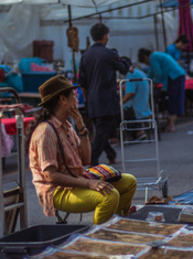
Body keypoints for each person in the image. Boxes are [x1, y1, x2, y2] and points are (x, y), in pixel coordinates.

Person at [28, 75, 137, 225]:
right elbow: (50, 176)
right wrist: (89, 184)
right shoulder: (45, 132)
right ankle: (96, 237)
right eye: (74, 95)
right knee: (109, 196)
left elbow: (86, 160)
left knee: (129, 181)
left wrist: (81, 127)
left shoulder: (67, 125)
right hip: (58, 192)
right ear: (63, 99)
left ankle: (116, 225)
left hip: (77, 181)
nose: (77, 98)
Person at [79, 23, 131, 166]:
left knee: (101, 130)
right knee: (103, 131)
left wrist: (87, 99)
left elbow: (82, 82)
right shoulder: (110, 54)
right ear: (105, 36)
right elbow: (123, 69)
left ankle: (111, 154)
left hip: (92, 100)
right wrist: (125, 61)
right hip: (106, 99)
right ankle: (92, 159)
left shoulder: (85, 55)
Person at [138, 49, 186, 132]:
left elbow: (158, 73)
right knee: (173, 99)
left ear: (146, 57)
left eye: (145, 62)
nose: (147, 64)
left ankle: (171, 124)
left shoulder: (153, 57)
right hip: (176, 76)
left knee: (173, 100)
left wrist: (153, 83)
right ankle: (171, 123)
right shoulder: (156, 55)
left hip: (175, 77)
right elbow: (152, 73)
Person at [121, 61, 152, 141]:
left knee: (115, 112)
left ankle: (138, 132)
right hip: (144, 106)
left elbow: (130, 93)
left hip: (136, 108)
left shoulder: (131, 74)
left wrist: (120, 103)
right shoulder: (138, 72)